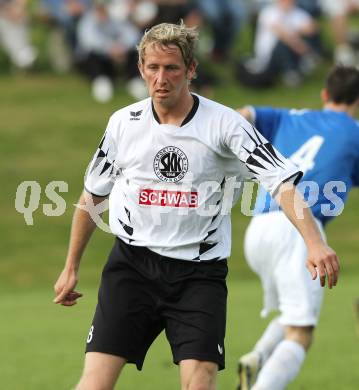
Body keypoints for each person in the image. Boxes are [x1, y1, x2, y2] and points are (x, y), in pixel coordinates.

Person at [53, 21, 339, 390]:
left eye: (171, 68)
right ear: (141, 69)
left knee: (199, 382)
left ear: (191, 70)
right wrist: (70, 266)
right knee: (94, 383)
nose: (161, 78)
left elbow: (281, 183)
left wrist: (314, 243)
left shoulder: (225, 124)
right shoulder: (124, 123)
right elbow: (93, 194)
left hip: (198, 276)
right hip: (132, 269)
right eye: (152, 68)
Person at [236, 65, 359, 390]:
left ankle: (258, 358)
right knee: (302, 332)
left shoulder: (288, 115)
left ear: (324, 94)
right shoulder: (355, 132)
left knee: (290, 315)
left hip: (259, 227)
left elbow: (245, 113)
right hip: (299, 232)